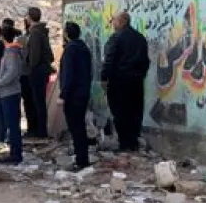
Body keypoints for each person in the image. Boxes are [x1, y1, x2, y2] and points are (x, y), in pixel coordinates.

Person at [101, 11, 151, 152]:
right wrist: (140, 75)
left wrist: (104, 78)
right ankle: (133, 142)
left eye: (114, 21)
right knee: (135, 112)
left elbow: (109, 60)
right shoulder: (140, 38)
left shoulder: (116, 38)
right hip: (136, 82)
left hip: (119, 82)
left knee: (120, 112)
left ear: (122, 21)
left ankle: (125, 144)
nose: (113, 24)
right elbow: (146, 62)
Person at [58, 21, 94, 170]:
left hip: (73, 95)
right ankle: (82, 158)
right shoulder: (84, 48)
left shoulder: (70, 50)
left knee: (76, 128)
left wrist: (63, 95)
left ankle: (81, 160)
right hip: (83, 92)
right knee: (80, 127)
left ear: (66, 34)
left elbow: (68, 75)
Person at [21, 6, 54, 139]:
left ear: (29, 17)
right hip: (41, 70)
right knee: (37, 102)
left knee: (38, 102)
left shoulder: (35, 33)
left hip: (36, 72)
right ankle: (38, 130)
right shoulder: (40, 31)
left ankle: (40, 132)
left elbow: (34, 57)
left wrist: (28, 66)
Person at [0, 26, 25, 164]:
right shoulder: (11, 51)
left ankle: (16, 155)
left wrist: (0, 83)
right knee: (12, 124)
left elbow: (11, 72)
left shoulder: (11, 52)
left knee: (13, 124)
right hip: (9, 91)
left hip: (9, 92)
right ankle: (14, 152)